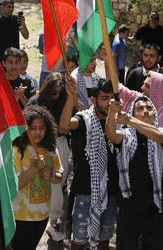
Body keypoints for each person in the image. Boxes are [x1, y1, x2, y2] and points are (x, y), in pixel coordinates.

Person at [59, 77, 119, 250]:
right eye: (104, 98)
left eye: (111, 98)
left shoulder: (119, 121)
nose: (109, 103)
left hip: (111, 191)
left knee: (104, 239)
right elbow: (64, 125)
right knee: (78, 240)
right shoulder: (83, 119)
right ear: (94, 100)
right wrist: (71, 98)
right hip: (85, 190)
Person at [105, 96, 163, 250]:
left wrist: (130, 121)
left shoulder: (162, 132)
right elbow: (112, 136)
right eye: (140, 109)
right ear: (133, 113)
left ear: (155, 114)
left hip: (154, 207)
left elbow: (161, 138)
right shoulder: (126, 135)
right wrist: (112, 112)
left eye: (149, 108)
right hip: (129, 207)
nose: (145, 111)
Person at [11, 105, 63, 250]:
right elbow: (15, 184)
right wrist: (34, 169)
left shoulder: (51, 148)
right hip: (20, 216)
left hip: (42, 215)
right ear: (25, 128)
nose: (38, 132)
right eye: (33, 128)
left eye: (42, 128)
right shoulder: (16, 150)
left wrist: (52, 175)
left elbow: (59, 176)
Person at [28, 73, 70, 241]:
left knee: (58, 182)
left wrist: (71, 96)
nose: (57, 95)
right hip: (38, 144)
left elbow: (67, 126)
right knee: (37, 181)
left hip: (59, 142)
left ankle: (53, 221)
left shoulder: (64, 98)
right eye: (54, 92)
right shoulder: (36, 101)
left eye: (60, 92)